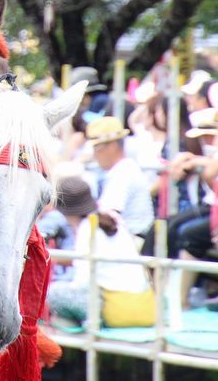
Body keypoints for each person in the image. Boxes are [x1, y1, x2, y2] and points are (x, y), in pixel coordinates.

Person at [45, 176, 153, 328]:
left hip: (114, 307)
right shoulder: (112, 218)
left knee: (53, 292)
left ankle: (84, 325)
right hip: (143, 301)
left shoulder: (87, 228)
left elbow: (82, 282)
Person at [87, 116, 155, 241]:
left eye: (97, 149)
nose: (95, 155)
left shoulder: (122, 173)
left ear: (112, 145)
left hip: (130, 242)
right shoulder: (125, 168)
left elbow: (108, 216)